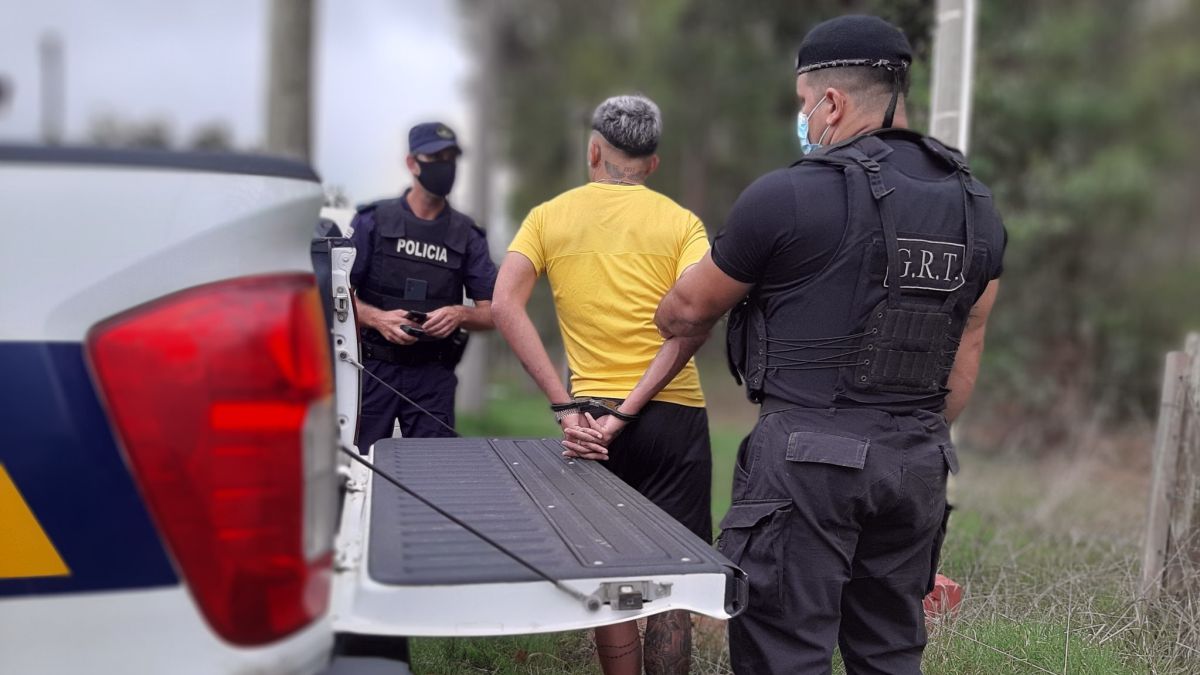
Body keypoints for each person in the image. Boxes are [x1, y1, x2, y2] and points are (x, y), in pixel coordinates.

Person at [653, 15, 1007, 675]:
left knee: (785, 653)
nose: (804, 119)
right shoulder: (976, 208)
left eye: (802, 106)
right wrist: (902, 433)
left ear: (832, 102)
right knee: (890, 651)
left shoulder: (789, 196)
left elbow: (685, 311)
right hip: (917, 462)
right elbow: (970, 338)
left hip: (807, 464)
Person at [492, 94, 711, 675]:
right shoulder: (683, 224)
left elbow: (503, 304)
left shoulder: (548, 216)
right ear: (654, 163)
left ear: (594, 150)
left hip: (588, 421)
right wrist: (632, 411)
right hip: (672, 415)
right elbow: (696, 319)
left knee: (606, 569)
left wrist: (565, 407)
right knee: (676, 573)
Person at [348, 122, 497, 450]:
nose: (445, 165)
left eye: (450, 157)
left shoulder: (467, 235)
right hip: (374, 370)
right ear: (412, 163)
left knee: (433, 474)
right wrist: (378, 319)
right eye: (435, 157)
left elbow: (494, 314)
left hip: (433, 375)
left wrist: (460, 314)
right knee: (364, 470)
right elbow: (337, 298)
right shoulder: (371, 222)